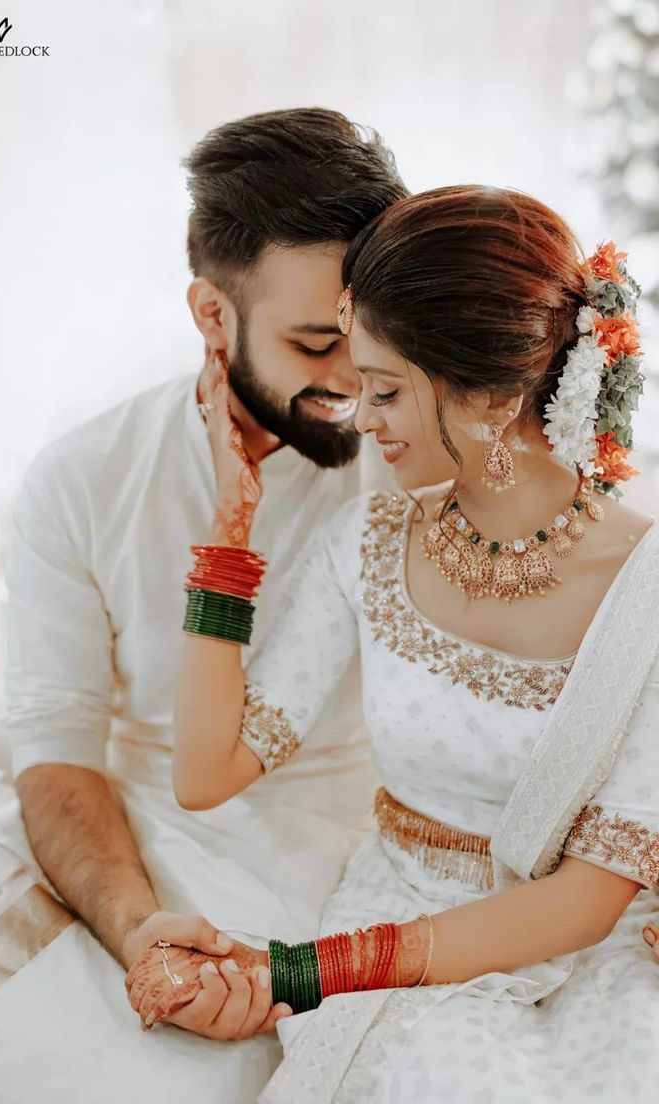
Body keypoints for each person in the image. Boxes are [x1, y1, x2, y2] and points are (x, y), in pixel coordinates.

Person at [0, 108, 407, 1104]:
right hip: (130, 837)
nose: (355, 379)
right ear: (210, 315)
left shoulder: (425, 458)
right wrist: (138, 926)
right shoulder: (86, 475)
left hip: (351, 854)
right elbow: (56, 754)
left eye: (373, 336)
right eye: (316, 341)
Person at [141, 186, 659, 1102]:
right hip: (402, 914)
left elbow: (589, 897)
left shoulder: (644, 591)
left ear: (495, 398)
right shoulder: (373, 546)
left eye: (385, 391)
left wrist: (297, 973)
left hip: (597, 947)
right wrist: (229, 531)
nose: (359, 416)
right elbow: (206, 771)